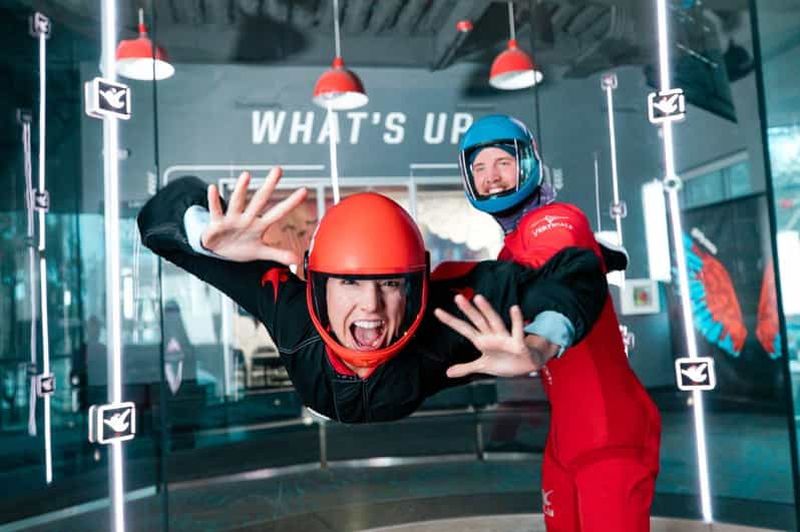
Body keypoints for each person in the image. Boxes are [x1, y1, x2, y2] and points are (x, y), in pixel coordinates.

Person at [138, 168, 608, 423]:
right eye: (349, 282)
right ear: (317, 284)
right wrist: (203, 233)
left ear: (418, 284)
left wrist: (542, 342)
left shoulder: (457, 311)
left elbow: (576, 267)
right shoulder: (288, 302)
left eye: (389, 283)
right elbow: (158, 221)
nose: (371, 307)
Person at [438, 114, 661, 531]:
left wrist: (540, 342)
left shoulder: (555, 218)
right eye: (479, 167)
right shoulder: (512, 250)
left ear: (528, 163)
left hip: (608, 434)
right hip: (568, 436)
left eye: (502, 162)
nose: (491, 176)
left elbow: (552, 266)